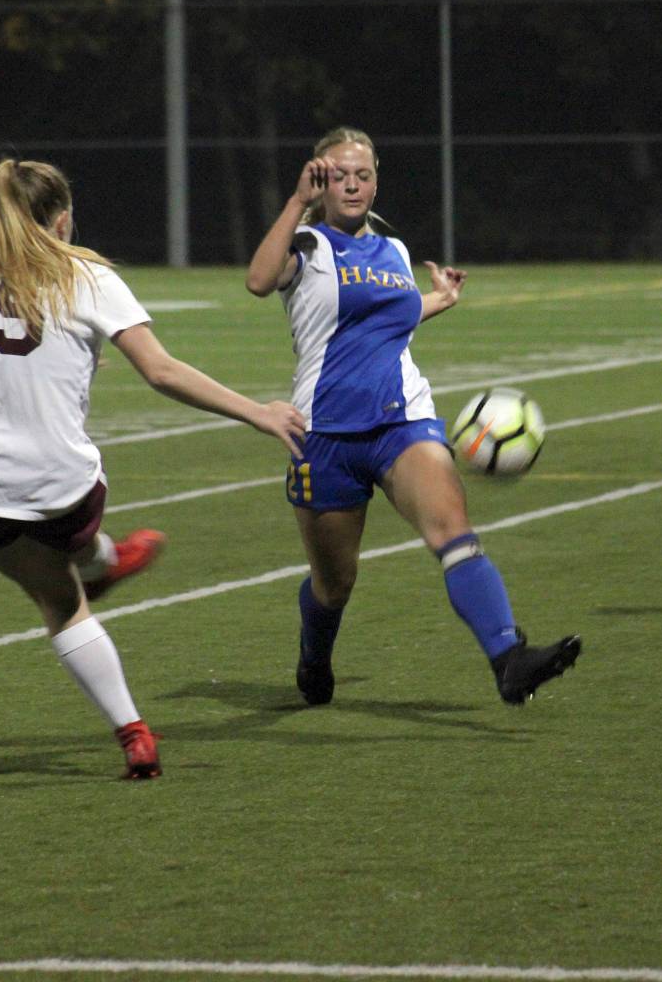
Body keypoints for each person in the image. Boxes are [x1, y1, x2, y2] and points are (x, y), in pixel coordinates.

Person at [0, 158, 305, 780]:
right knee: (67, 587)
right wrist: (258, 412)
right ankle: (104, 575)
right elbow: (160, 370)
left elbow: (7, 356)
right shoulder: (88, 274)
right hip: (57, 482)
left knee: (52, 592)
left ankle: (130, 713)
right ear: (64, 219)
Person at [246, 126, 581, 708]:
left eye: (363, 175)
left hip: (403, 420)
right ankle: (315, 655)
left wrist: (438, 301)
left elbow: (386, 319)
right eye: (338, 175)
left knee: (454, 536)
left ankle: (509, 658)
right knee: (334, 585)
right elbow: (257, 281)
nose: (352, 185)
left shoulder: (393, 250)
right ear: (319, 178)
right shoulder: (305, 246)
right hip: (324, 434)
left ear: (376, 180)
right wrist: (298, 201)